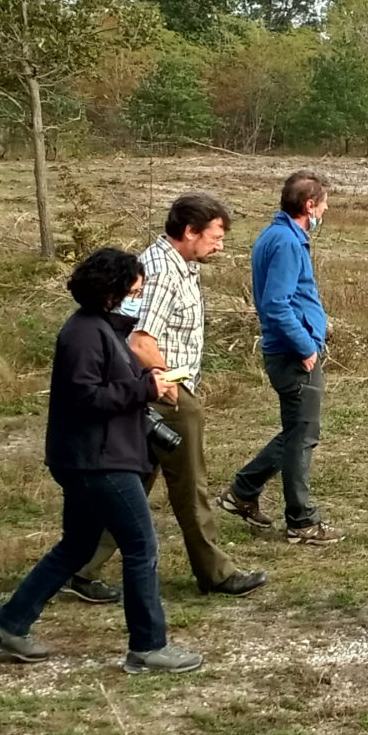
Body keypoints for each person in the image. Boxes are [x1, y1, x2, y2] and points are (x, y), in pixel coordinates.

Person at [0, 247, 205, 674]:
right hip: (98, 461)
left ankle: (8, 625)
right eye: (134, 292)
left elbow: (109, 381)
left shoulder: (102, 329)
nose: (138, 299)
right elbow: (85, 397)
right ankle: (148, 647)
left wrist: (146, 378)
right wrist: (144, 390)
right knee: (141, 546)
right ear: (111, 291)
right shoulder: (84, 334)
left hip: (92, 457)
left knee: (77, 546)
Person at [64, 194, 266, 604]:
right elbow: (140, 341)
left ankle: (80, 567)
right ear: (190, 231)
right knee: (191, 486)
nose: (220, 245)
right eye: (215, 236)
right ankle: (216, 573)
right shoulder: (159, 272)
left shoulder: (181, 266)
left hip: (153, 391)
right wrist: (169, 386)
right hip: (162, 394)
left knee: (131, 484)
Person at [221, 171, 343, 544]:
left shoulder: (275, 235)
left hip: (286, 350)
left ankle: (242, 492)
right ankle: (301, 521)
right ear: (310, 205)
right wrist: (305, 347)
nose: (326, 210)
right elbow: (276, 304)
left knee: (298, 431)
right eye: (324, 203)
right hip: (293, 354)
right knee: (302, 437)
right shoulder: (288, 242)